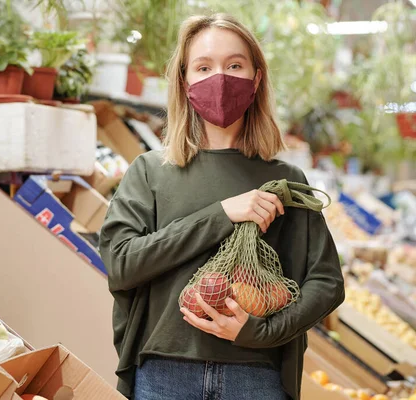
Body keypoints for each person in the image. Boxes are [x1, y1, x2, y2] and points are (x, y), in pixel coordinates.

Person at [98, 13, 345, 400]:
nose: (221, 78)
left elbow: (327, 282)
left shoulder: (285, 180)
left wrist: (261, 332)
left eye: (235, 65)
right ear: (184, 82)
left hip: (255, 377)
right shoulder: (151, 172)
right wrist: (222, 214)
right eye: (203, 67)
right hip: (165, 373)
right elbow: (121, 264)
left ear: (256, 78)